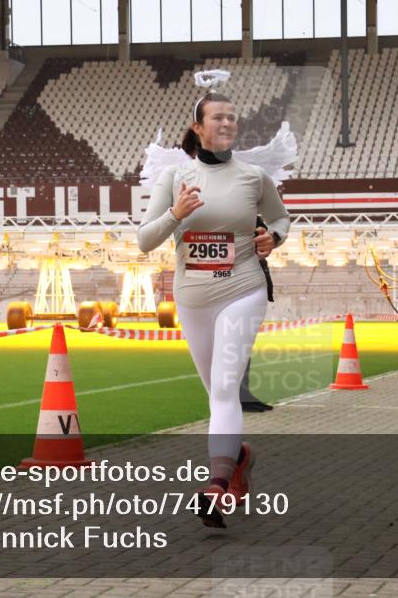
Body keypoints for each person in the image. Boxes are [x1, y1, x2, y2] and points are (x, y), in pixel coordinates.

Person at [138, 91, 290, 528]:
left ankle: (217, 484)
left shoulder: (254, 176)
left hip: (242, 289)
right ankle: (238, 457)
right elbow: (145, 240)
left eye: (231, 118)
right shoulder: (175, 176)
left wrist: (272, 239)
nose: (226, 123)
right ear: (198, 128)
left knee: (225, 388)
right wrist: (175, 213)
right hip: (192, 298)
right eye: (217, 118)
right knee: (214, 394)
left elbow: (281, 219)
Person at [239, 216, 275, 413]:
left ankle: (242, 395)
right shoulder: (242, 219)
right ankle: (239, 396)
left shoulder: (252, 219)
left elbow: (265, 239)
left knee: (242, 348)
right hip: (240, 288)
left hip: (249, 287)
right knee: (238, 348)